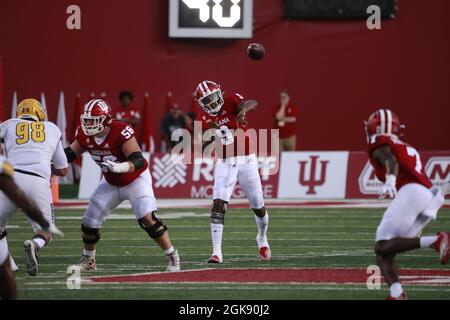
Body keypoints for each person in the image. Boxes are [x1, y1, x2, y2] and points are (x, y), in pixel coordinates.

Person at [64, 99, 180, 272]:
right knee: (89, 222)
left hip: (135, 179)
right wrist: (47, 159)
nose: (88, 124)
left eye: (93, 120)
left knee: (147, 218)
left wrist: (122, 166)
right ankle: (89, 260)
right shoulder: (84, 134)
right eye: (86, 120)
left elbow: (139, 161)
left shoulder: (120, 130)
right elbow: (69, 154)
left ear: (105, 120)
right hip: (110, 182)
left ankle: (172, 255)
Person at [365, 108, 450, 300]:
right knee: (387, 251)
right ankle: (397, 294)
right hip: (427, 196)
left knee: (381, 245)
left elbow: (391, 161)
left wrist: (390, 181)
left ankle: (436, 240)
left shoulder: (378, 141)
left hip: (411, 193)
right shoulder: (403, 145)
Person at [195, 80, 271, 264]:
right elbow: (203, 147)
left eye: (213, 98)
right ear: (202, 104)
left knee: (258, 207)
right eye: (207, 101)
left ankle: (262, 237)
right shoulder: (203, 119)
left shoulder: (231, 100)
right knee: (218, 205)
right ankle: (216, 253)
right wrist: (211, 135)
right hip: (225, 161)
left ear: (220, 94)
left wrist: (243, 112)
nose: (212, 103)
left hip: (247, 159)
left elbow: (252, 102)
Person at [0, 98, 68, 276]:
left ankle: (9, 264)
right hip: (38, 180)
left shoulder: (8, 124)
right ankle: (35, 244)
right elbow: (63, 170)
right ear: (40, 114)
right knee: (45, 230)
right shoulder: (52, 128)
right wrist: (45, 163)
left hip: (12, 179)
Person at [0, 155, 63, 299]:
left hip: (21, 174)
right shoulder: (3, 164)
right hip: (38, 179)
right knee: (4, 272)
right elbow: (18, 197)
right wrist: (44, 223)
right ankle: (35, 244)